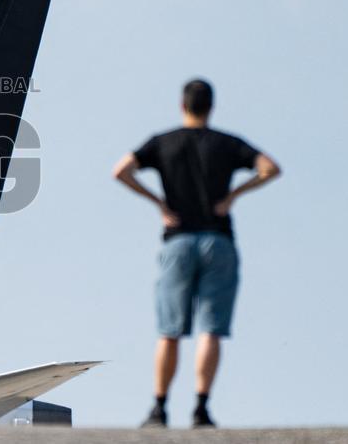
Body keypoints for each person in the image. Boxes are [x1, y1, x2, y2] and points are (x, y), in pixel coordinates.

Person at [112, 79, 281, 428]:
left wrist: (158, 202)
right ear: (211, 107)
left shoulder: (163, 142)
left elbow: (121, 170)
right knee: (211, 329)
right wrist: (234, 195)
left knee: (169, 330)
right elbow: (270, 168)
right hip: (218, 240)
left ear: (182, 105)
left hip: (177, 240)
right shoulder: (227, 143)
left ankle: (159, 408)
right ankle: (201, 408)